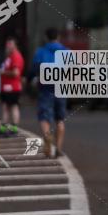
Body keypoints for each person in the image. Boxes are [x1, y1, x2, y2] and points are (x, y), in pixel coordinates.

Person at [30, 28, 68, 158]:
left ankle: (47, 136)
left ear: (46, 37)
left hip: (45, 88)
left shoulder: (40, 52)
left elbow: (34, 69)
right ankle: (58, 149)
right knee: (60, 119)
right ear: (58, 37)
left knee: (44, 117)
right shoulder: (66, 52)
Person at [0, 37, 25, 137]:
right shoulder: (9, 56)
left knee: (13, 106)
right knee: (5, 107)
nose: (8, 46)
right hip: (6, 87)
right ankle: (4, 127)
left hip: (13, 87)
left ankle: (14, 128)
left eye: (10, 44)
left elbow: (15, 73)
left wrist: (2, 72)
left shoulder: (16, 56)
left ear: (15, 45)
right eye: (7, 44)